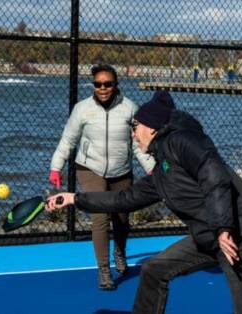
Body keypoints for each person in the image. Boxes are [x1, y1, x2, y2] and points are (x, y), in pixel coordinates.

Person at [46, 90, 242, 314]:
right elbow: (122, 199)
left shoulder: (183, 141)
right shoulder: (162, 172)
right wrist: (75, 198)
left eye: (135, 128)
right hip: (210, 236)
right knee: (154, 269)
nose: (133, 135)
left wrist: (224, 228)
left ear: (152, 128)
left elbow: (215, 178)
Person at [49, 64, 155, 290]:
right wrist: (56, 167)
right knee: (99, 218)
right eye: (98, 84)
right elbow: (68, 140)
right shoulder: (82, 109)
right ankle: (104, 270)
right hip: (90, 169)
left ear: (116, 85)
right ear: (93, 85)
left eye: (108, 84)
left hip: (121, 171)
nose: (103, 88)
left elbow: (137, 145)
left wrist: (151, 167)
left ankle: (119, 251)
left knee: (122, 218)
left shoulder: (129, 109)